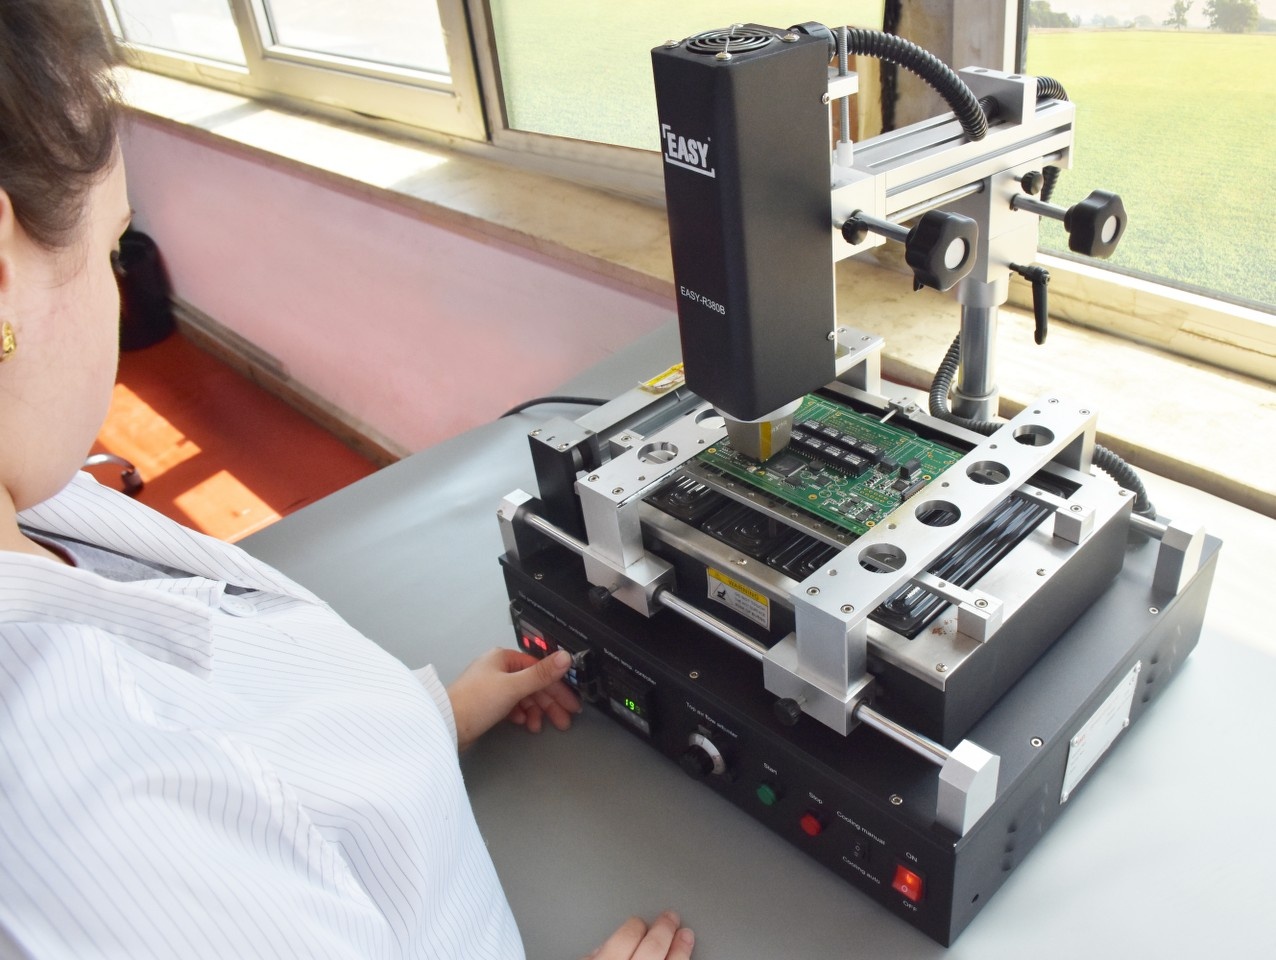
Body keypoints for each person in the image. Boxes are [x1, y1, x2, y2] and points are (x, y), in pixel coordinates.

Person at [0, 2, 694, 958]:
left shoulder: (37, 499)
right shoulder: (85, 816)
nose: (118, 294)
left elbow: (254, 770)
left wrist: (425, 725)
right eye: (114, 248)